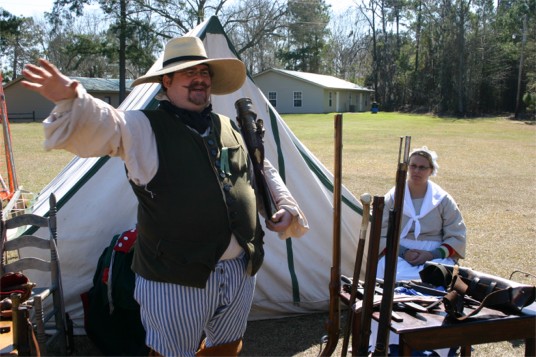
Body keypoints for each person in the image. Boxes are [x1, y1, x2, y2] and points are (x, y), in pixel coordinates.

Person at [22, 36, 309, 357]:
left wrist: (284, 203)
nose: (199, 78)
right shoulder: (142, 127)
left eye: (204, 72)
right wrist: (74, 97)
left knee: (227, 348)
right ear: (166, 82)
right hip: (174, 277)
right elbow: (108, 123)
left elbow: (260, 168)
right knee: (172, 353)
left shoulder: (228, 126)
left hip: (240, 268)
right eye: (188, 73)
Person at [377, 146, 466, 282]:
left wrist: (431, 255)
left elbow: (457, 235)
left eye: (422, 167)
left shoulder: (442, 199)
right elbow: (380, 233)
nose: (417, 171)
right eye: (413, 166)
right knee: (394, 275)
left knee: (434, 276)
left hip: (435, 254)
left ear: (431, 171)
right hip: (399, 252)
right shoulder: (393, 197)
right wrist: (404, 252)